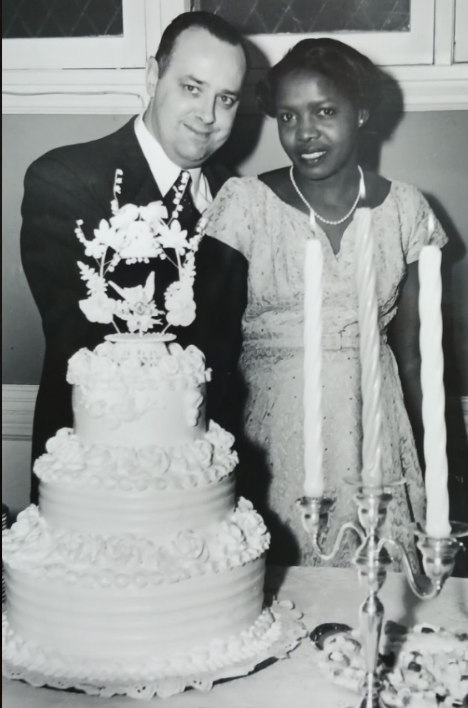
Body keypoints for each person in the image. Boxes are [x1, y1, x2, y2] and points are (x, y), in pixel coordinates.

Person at [204, 39, 446, 567]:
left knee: (374, 602)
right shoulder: (244, 205)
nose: (304, 133)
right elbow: (210, 352)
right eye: (288, 116)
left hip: (375, 438)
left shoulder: (407, 210)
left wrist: (443, 466)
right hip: (267, 439)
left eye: (325, 112)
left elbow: (414, 358)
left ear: (361, 113)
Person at [20, 12, 250, 502]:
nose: (208, 115)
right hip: (98, 479)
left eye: (225, 99)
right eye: (192, 87)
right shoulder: (65, 178)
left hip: (205, 480)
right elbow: (83, 336)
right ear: (152, 76)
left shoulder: (242, 197)